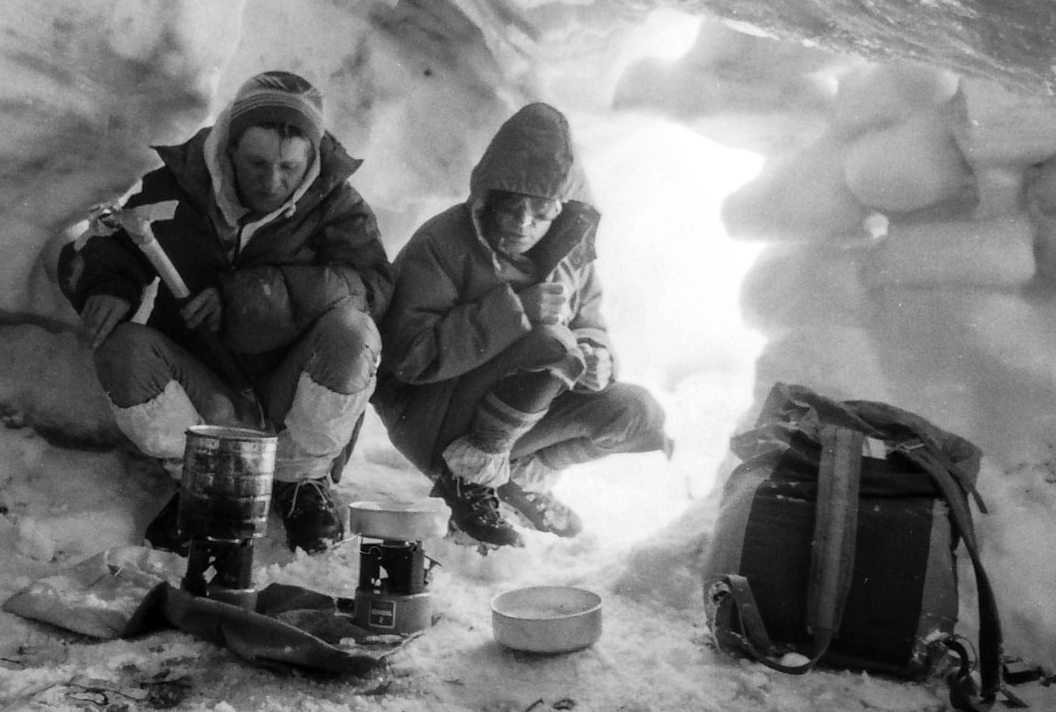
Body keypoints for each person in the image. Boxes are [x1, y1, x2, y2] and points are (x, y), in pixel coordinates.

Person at [58, 70, 391, 553]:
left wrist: (250, 299)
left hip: (290, 390)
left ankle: (301, 479)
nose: (271, 182)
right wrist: (109, 283)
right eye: (257, 163)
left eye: (289, 167)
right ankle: (205, 478)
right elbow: (120, 238)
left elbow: (371, 287)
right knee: (124, 349)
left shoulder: (337, 207)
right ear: (231, 146)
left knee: (353, 333)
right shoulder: (179, 186)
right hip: (207, 389)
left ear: (311, 159)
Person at [372, 102, 669, 546]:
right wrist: (514, 313)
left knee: (638, 412)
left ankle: (518, 478)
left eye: (541, 211)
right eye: (510, 207)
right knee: (552, 344)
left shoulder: (571, 252)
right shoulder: (441, 242)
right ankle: (468, 479)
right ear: (487, 200)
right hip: (430, 416)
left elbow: (590, 321)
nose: (523, 224)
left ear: (562, 209)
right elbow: (410, 358)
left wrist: (598, 356)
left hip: (520, 412)